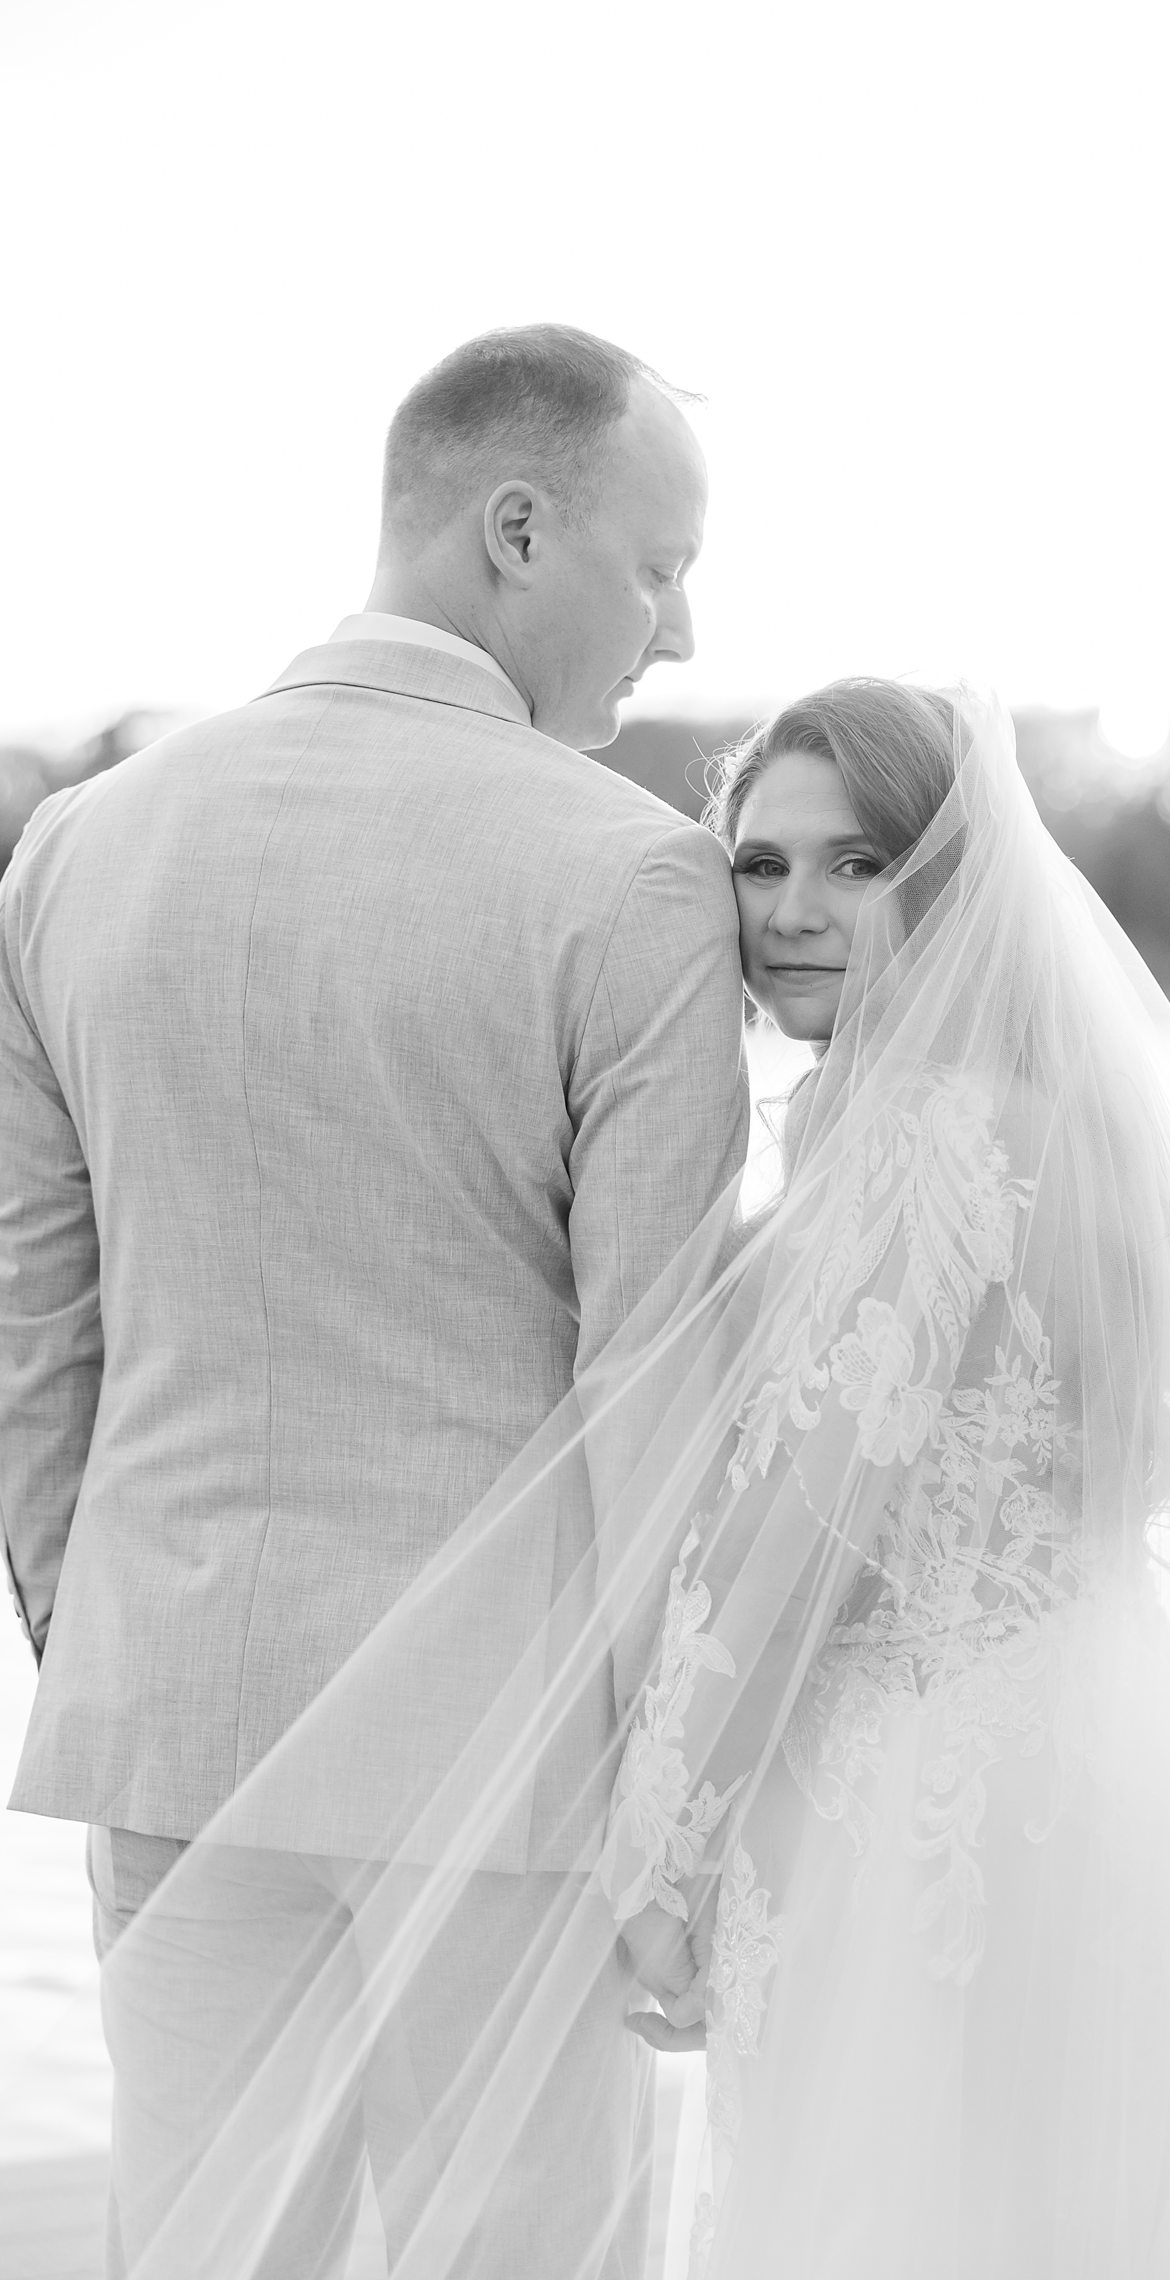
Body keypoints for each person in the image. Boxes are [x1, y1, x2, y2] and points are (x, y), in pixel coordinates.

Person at [21, 679, 1170, 2279]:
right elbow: (1153, 1424)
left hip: (909, 1812)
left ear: (948, 884)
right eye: (761, 864)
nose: (795, 912)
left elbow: (782, 1544)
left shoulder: (930, 1140)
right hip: (1098, 1743)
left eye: (856, 866)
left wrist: (658, 1859)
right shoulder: (1054, 1120)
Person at [0, 323, 748, 2278]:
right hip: (502, 1760)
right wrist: (664, 1798)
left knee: (200, 2252)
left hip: (169, 1723)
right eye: (658, 563)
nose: (672, 629)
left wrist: (109, 1632)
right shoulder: (638, 877)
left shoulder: (72, 854)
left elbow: (32, 1329)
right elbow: (647, 1384)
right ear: (516, 527)